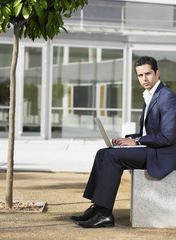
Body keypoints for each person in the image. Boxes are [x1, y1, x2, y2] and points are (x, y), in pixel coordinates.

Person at [70, 56, 176, 228]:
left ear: (157, 73)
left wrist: (137, 141)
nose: (144, 79)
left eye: (148, 74)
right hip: (151, 149)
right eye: (140, 75)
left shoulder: (167, 97)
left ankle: (104, 215)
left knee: (113, 157)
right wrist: (128, 139)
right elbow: (148, 132)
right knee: (103, 153)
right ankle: (97, 209)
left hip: (162, 154)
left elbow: (168, 137)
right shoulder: (151, 95)